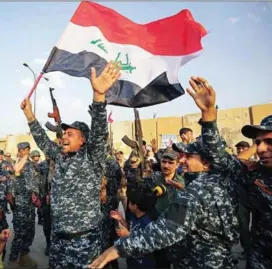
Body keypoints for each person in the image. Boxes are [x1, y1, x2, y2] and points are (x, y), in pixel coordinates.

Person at [89, 77, 240, 269]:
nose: (181, 161)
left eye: (188, 157)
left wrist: (118, 249)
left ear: (207, 163)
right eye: (180, 156)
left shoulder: (199, 191)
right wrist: (208, 115)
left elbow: (165, 229)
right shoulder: (221, 181)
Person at [20, 61, 120, 268]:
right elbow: (44, 142)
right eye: (63, 133)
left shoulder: (92, 158)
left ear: (82, 140)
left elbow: (100, 131)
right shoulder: (61, 156)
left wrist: (99, 96)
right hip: (58, 238)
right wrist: (30, 116)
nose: (63, 137)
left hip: (83, 240)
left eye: (70, 134)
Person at [189, 76, 272, 268]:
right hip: (261, 260)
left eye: (269, 142)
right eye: (258, 142)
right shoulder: (253, 173)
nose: (260, 148)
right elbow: (219, 159)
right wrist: (209, 115)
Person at [8, 142, 41, 268]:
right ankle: (13, 260)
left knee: (30, 232)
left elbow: (37, 181)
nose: (23, 151)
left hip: (30, 205)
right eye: (21, 149)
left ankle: (24, 256)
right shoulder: (15, 165)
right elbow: (13, 184)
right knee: (20, 234)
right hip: (20, 204)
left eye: (26, 149)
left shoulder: (33, 166)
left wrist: (36, 194)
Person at [111, 186, 157, 268]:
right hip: (132, 261)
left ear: (135, 206)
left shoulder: (148, 223)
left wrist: (127, 234)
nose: (128, 204)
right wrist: (121, 219)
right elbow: (131, 227)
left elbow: (146, 245)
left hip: (143, 264)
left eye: (129, 203)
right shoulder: (134, 216)